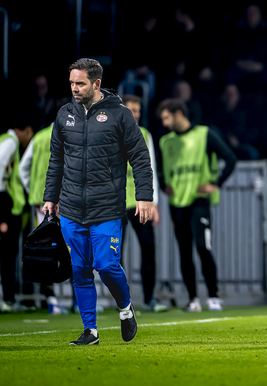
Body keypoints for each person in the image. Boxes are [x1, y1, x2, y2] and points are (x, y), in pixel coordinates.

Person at [43, 58, 154, 345]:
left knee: (106, 265)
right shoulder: (64, 115)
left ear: (97, 83)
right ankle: (90, 330)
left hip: (106, 207)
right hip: (70, 208)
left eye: (80, 83)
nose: (74, 88)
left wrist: (144, 196)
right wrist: (49, 198)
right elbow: (56, 161)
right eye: (71, 83)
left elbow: (141, 158)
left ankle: (125, 307)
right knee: (79, 270)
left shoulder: (121, 115)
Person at [157, 98, 236, 312]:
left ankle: (213, 296)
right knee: (184, 251)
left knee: (203, 247)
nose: (164, 123)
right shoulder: (165, 142)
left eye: (166, 118)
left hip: (199, 201)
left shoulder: (204, 134)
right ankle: (192, 299)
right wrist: (164, 184)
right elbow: (162, 169)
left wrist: (216, 184)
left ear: (178, 114)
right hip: (177, 204)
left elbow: (230, 159)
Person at [19, 113, 71, 315]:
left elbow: (24, 168)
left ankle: (50, 299)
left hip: (41, 205)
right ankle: (78, 299)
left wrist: (33, 191)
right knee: (71, 247)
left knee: (43, 250)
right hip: (66, 202)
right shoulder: (69, 135)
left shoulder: (39, 137)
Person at [121, 95, 167, 313]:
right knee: (114, 254)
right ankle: (122, 301)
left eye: (138, 110)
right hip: (116, 203)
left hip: (141, 203)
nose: (136, 114)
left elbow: (151, 169)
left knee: (148, 249)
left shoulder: (145, 134)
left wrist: (154, 202)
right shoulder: (110, 133)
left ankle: (149, 298)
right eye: (132, 110)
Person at [0, 117, 31, 312]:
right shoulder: (10, 143)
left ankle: (9, 299)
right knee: (8, 255)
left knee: (9, 254)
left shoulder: (5, 140)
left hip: (10, 206)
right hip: (7, 207)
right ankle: (8, 300)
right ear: (26, 130)